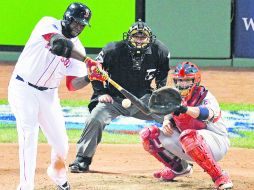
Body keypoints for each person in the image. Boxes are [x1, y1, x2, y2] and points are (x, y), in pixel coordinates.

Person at [7, 2, 101, 190]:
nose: (79, 27)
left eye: (83, 25)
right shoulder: (48, 23)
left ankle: (57, 175)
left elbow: (72, 85)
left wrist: (90, 77)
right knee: (29, 136)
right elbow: (58, 44)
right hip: (23, 89)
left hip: (49, 96)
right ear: (67, 18)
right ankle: (25, 186)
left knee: (61, 144)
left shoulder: (79, 48)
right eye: (77, 23)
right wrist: (87, 60)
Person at [69, 19, 170, 173]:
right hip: (113, 98)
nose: (139, 40)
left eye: (143, 37)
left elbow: (162, 77)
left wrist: (160, 96)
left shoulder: (160, 51)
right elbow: (95, 70)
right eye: (136, 37)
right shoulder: (112, 49)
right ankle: (82, 159)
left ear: (150, 39)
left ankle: (179, 160)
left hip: (143, 99)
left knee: (172, 118)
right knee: (95, 118)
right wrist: (100, 92)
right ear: (128, 37)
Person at [139, 62, 233, 189]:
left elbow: (206, 114)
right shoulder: (175, 96)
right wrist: (167, 121)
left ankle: (220, 176)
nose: (182, 84)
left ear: (196, 80)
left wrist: (184, 108)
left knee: (188, 135)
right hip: (188, 142)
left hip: (216, 143)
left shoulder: (206, 96)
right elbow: (170, 113)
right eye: (179, 80)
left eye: (187, 80)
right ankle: (179, 168)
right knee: (148, 134)